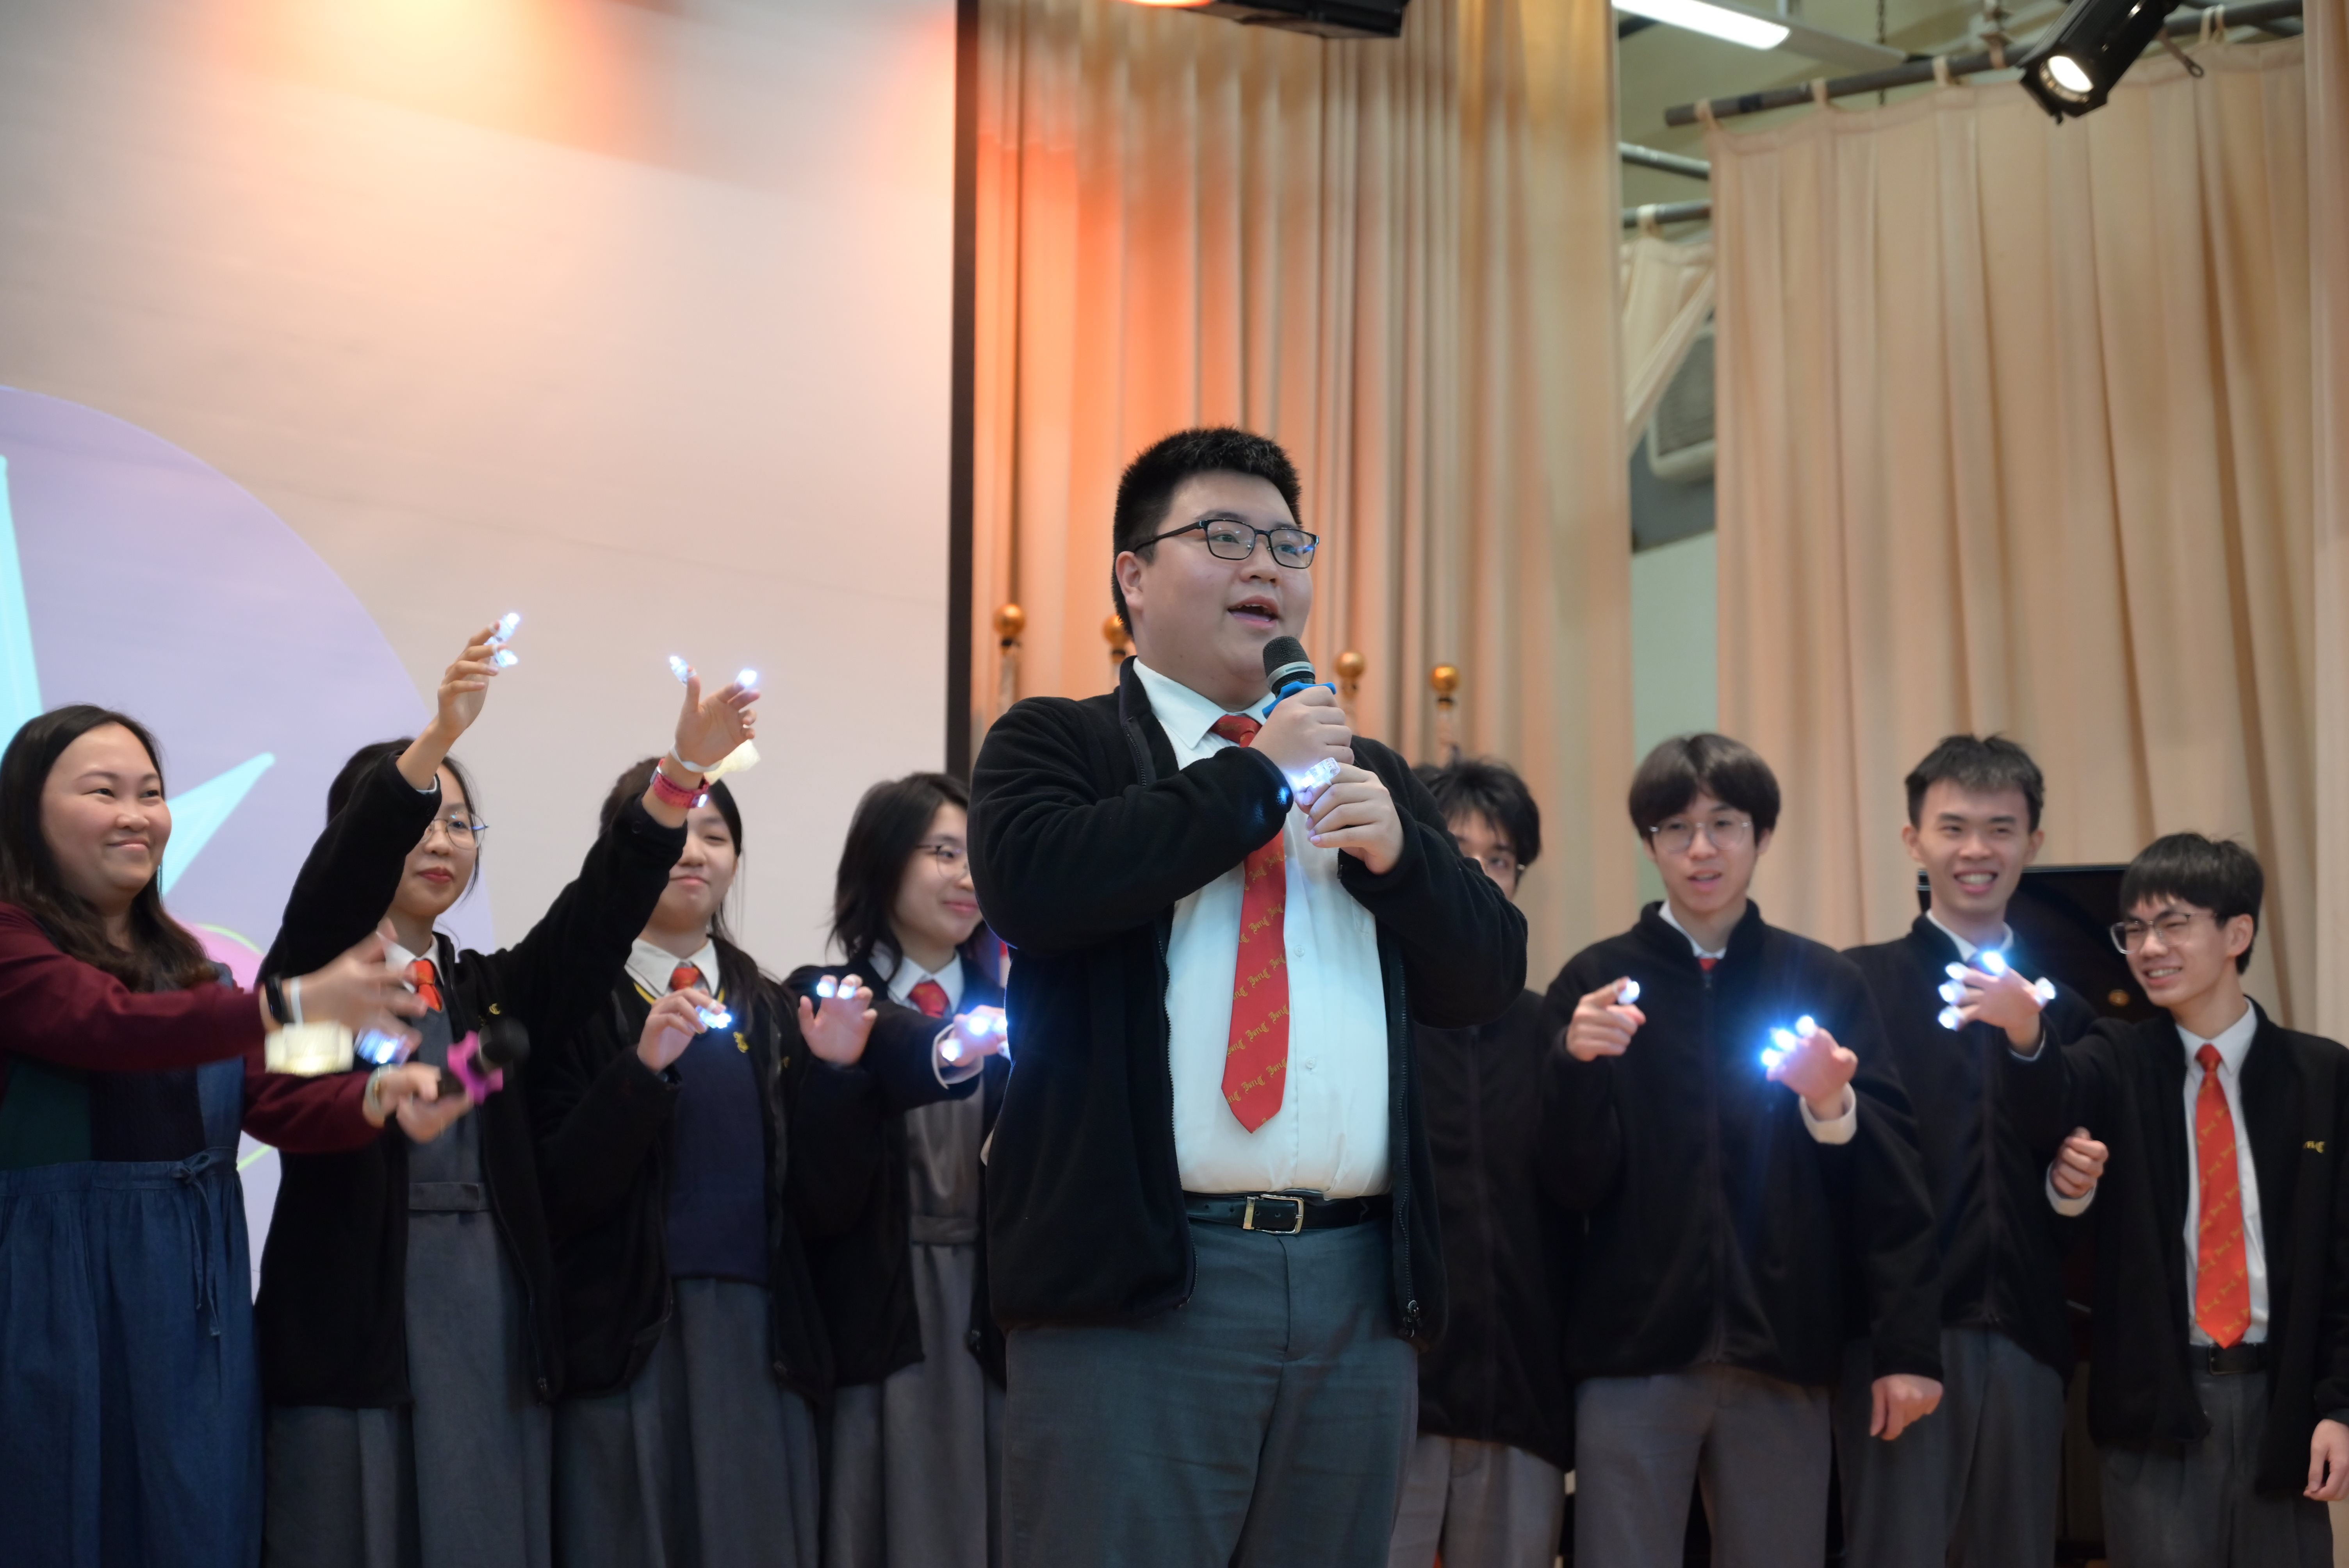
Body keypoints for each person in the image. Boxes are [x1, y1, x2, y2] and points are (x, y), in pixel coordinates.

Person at [969, 426, 1526, 1568]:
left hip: (1354, 1290)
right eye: (1224, 537)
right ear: (1133, 574)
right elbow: (1035, 887)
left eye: (1287, 543)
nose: (1264, 565)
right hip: (1138, 1287)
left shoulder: (1366, 771)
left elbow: (1487, 977)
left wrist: (1406, 860)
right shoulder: (1061, 742)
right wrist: (1255, 775)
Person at [253, 625, 755, 1568]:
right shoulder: (313, 979)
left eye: (458, 822)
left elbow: (596, 914)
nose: (440, 840)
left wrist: (681, 774)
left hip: (491, 1313)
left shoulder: (491, 991)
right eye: (417, 818)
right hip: (356, 1317)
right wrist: (439, 737)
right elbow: (318, 937)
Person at [0, 704, 417, 1568]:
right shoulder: (12, 942)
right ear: (26, 813)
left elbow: (264, 1093)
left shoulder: (197, 971)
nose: (136, 814)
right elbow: (105, 1025)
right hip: (51, 1291)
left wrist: (378, 1093)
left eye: (151, 792)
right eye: (103, 791)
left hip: (195, 1307)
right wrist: (292, 1003)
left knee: (198, 1517)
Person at [1539, 732, 1942, 1568]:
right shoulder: (1595, 985)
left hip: (1782, 1353)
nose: (1701, 849)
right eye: (1676, 829)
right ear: (1648, 843)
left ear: (1761, 836)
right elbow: (1566, 1184)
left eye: (1724, 824)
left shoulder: (1824, 982)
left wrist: (1830, 1103)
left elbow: (1890, 1186)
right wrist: (1574, 1067)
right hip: (1629, 1355)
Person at [532, 762, 895, 1568]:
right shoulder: (573, 1003)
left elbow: (826, 1208)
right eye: (673, 832)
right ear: (624, 849)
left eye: (716, 835)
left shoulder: (777, 1009)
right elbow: (559, 1192)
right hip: (624, 1339)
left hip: (762, 1343)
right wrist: (639, 1071)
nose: (693, 853)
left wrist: (839, 1079)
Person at [1835, 735, 2099, 1567]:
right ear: (1913, 840)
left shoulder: (2069, 1010)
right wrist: (1892, 1340)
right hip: (1895, 1339)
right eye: (1952, 828)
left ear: (2033, 844)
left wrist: (2070, 1188)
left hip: (2027, 1335)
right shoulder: (1857, 984)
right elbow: (1835, 1177)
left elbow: (2074, 1184)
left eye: (2000, 829)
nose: (1976, 850)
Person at [2051, 834, 2349, 1566]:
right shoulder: (2118, 1062)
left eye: (2173, 924)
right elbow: (2044, 1117)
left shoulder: (2321, 1075)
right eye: (2134, 929)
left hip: (2284, 1405)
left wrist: (2341, 1406)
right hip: (2156, 1405)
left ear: (2237, 933)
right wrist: (2066, 1185)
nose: (2149, 947)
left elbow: (2345, 1259)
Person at [799, 771, 1010, 1568]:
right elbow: (813, 1195)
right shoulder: (821, 1003)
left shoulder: (1022, 1009)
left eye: (978, 856)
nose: (967, 877)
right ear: (884, 861)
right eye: (943, 853)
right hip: (875, 1309)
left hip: (998, 1311)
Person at [1386, 757, 1570, 1568]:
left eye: (1501, 859)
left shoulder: (1550, 1028)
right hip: (1389, 1395)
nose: (1483, 877)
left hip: (1518, 1397)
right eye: (1458, 853)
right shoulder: (1372, 1010)